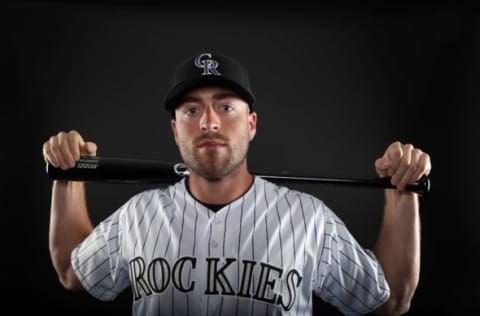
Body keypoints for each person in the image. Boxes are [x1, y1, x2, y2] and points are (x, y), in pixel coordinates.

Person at [42, 52, 431, 316]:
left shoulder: (310, 218)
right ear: (176, 130)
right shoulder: (137, 216)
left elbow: (391, 300)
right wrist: (69, 177)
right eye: (192, 110)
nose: (209, 122)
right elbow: (71, 273)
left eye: (226, 107)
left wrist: (403, 191)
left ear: (251, 124)